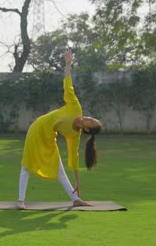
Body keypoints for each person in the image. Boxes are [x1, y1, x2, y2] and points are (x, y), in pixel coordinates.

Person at [17, 48, 102, 209]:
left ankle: (75, 198)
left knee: (59, 169)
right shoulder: (75, 107)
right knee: (26, 164)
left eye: (91, 122)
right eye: (91, 118)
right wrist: (68, 64)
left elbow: (74, 157)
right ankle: (21, 200)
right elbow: (68, 86)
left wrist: (78, 182)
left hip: (49, 138)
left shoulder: (74, 135)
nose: (88, 118)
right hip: (37, 129)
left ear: (87, 130)